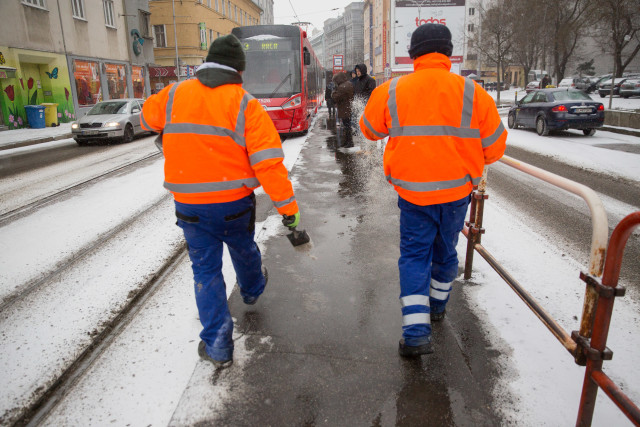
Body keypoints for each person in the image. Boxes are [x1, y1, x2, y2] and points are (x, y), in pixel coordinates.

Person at [140, 34, 301, 369]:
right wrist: (289, 210)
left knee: (205, 271)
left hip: (190, 206)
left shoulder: (174, 94)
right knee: (243, 248)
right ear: (238, 70)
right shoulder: (245, 104)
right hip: (233, 203)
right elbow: (269, 164)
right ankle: (253, 288)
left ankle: (217, 345)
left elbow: (146, 118)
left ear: (206, 65)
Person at [359, 23, 507, 358]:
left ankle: (415, 334)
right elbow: (496, 148)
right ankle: (439, 306)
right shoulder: (472, 92)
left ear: (413, 54)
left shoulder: (393, 90)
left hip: (413, 196)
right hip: (457, 195)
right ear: (448, 52)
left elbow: (368, 129)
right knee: (446, 251)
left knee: (414, 257)